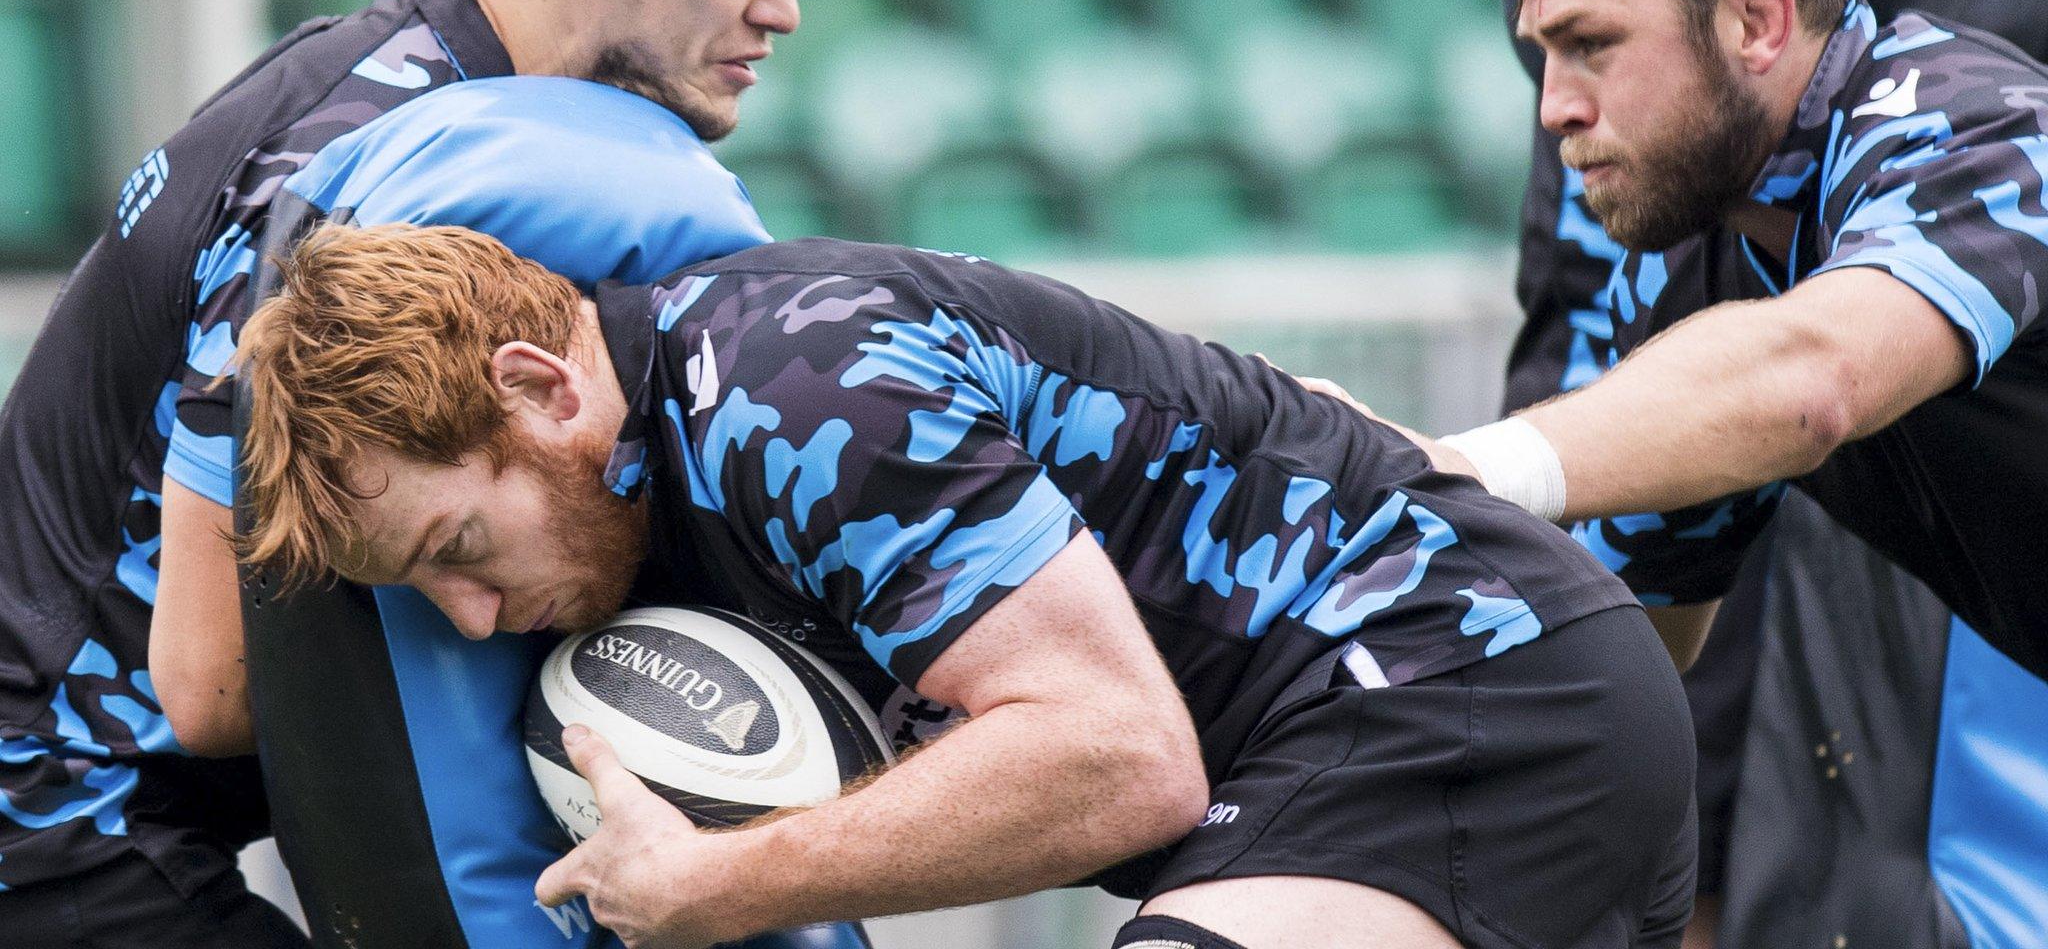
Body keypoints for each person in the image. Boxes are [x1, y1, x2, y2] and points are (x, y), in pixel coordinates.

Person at [234, 221, 1697, 949]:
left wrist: (718, 885)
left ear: (541, 388)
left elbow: (1119, 761)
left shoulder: (788, 388)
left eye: (457, 554)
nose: (474, 623)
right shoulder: (655, 468)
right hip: (1361, 744)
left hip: (1469, 694)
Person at [0, 0, 855, 944]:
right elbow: (205, 683)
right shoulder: (358, 167)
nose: (782, 9)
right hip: (60, 827)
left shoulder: (459, 112)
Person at [1477, 0, 2048, 946]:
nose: (1555, 110)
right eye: (1542, 56)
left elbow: (1810, 378)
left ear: (1754, 18)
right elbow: (1641, 647)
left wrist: (1460, 468)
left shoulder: (1963, 129)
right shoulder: (1694, 266)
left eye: (1591, 46)